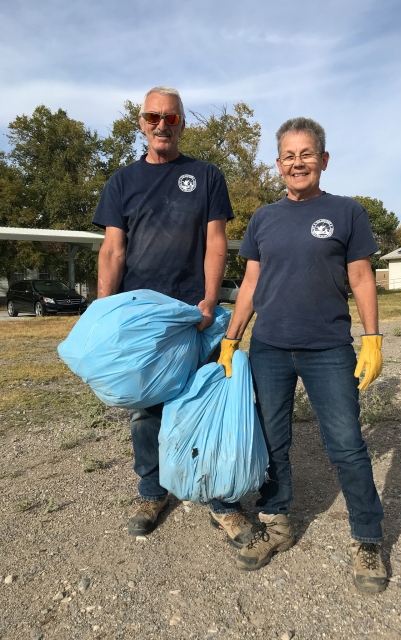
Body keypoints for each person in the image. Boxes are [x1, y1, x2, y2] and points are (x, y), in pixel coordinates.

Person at [218, 117, 387, 594]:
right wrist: (232, 339)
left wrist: (372, 337)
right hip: (269, 346)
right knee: (272, 442)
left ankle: (368, 537)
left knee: (346, 445)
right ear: (278, 164)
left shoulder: (347, 212)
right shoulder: (263, 219)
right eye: (289, 156)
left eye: (306, 154)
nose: (298, 162)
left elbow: (360, 278)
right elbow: (250, 283)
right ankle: (276, 522)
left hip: (328, 348)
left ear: (323, 159)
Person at [92, 85, 252, 547]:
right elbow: (113, 250)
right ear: (141, 123)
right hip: (140, 318)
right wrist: (105, 309)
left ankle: (220, 500)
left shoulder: (206, 176)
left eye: (172, 117)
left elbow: (217, 241)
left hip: (191, 313)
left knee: (204, 401)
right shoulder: (122, 182)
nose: (162, 124)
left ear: (183, 123)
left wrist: (207, 299)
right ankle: (152, 491)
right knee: (145, 412)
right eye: (153, 117)